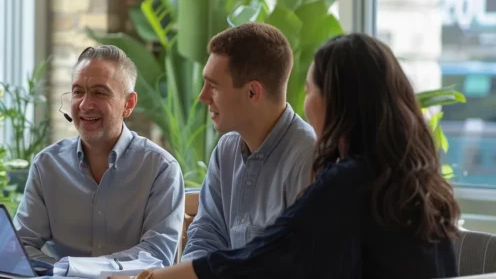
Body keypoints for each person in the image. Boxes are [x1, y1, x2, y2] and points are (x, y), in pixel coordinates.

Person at [136, 33, 461, 279]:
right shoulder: (416, 182)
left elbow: (270, 255)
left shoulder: (348, 181)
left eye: (308, 91)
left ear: (334, 102)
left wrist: (162, 276)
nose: (306, 104)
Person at [14, 45, 185, 265]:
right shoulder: (47, 165)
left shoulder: (160, 169)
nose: (85, 105)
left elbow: (156, 255)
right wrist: (63, 272)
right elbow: (21, 245)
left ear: (128, 104)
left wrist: (75, 270)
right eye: (78, 92)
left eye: (99, 92)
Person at [183, 23, 317, 260]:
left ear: (253, 92)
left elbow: (298, 264)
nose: (202, 97)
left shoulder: (308, 158)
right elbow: (205, 236)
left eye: (213, 86)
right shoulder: (226, 151)